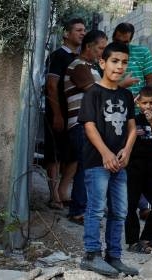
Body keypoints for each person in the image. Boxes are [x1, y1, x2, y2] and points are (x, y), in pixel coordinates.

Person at [77, 41, 139, 277]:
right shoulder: (93, 92)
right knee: (96, 209)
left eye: (124, 62)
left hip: (120, 164)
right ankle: (91, 255)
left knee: (120, 211)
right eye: (115, 61)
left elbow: (132, 128)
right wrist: (106, 153)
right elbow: (90, 127)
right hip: (98, 162)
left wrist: (127, 151)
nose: (120, 66)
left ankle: (114, 256)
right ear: (102, 63)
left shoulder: (125, 94)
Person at [64, 30, 107, 223]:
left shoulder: (93, 68)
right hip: (81, 124)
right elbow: (94, 91)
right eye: (100, 48)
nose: (102, 52)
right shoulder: (79, 66)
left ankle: (84, 208)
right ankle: (78, 210)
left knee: (89, 167)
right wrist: (120, 86)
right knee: (85, 167)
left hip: (90, 125)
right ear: (89, 46)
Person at [43, 18, 86, 210]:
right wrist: (58, 115)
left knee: (75, 155)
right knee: (55, 155)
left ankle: (63, 192)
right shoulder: (57, 56)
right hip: (57, 114)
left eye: (84, 30)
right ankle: (53, 196)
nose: (82, 33)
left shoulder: (80, 60)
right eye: (78, 30)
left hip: (75, 117)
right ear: (66, 34)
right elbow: (51, 86)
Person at [127, 87, 152, 252]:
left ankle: (147, 238)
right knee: (131, 205)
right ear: (138, 103)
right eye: (144, 103)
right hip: (134, 168)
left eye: (151, 102)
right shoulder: (132, 120)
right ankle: (133, 241)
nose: (148, 106)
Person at [112, 23, 152, 97]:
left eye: (125, 42)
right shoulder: (105, 54)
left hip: (137, 106)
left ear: (130, 40)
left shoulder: (143, 52)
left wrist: (146, 99)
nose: (121, 45)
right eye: (118, 41)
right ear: (113, 38)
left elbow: (150, 81)